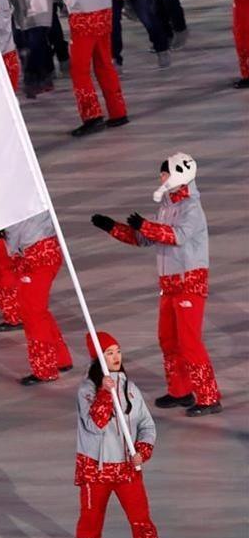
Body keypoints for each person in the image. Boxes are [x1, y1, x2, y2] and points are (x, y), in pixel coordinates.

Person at [91, 152, 222, 417]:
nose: (161, 178)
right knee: (168, 340)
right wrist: (112, 228)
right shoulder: (167, 204)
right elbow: (145, 239)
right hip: (169, 283)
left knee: (189, 342)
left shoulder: (192, 208)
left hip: (189, 283)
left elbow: (178, 236)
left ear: (178, 175)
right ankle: (180, 390)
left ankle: (209, 396)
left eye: (165, 173)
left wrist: (147, 226)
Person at [12, 0, 129, 137]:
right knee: (105, 65)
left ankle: (92, 116)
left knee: (80, 72)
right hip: (104, 19)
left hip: (83, 23)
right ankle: (118, 112)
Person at [74, 331, 160, 538]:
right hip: (96, 470)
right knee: (90, 525)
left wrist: (142, 451)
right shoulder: (87, 390)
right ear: (99, 359)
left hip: (127, 469)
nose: (116, 357)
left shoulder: (131, 389)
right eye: (109, 353)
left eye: (118, 352)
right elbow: (95, 425)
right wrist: (104, 393)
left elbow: (147, 425)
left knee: (142, 522)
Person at [7, 211, 73, 385]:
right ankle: (60, 358)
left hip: (35, 253)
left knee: (32, 313)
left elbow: (13, 224)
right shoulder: (31, 188)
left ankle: (45, 369)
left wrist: (12, 254)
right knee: (37, 309)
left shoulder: (13, 192)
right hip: (45, 247)